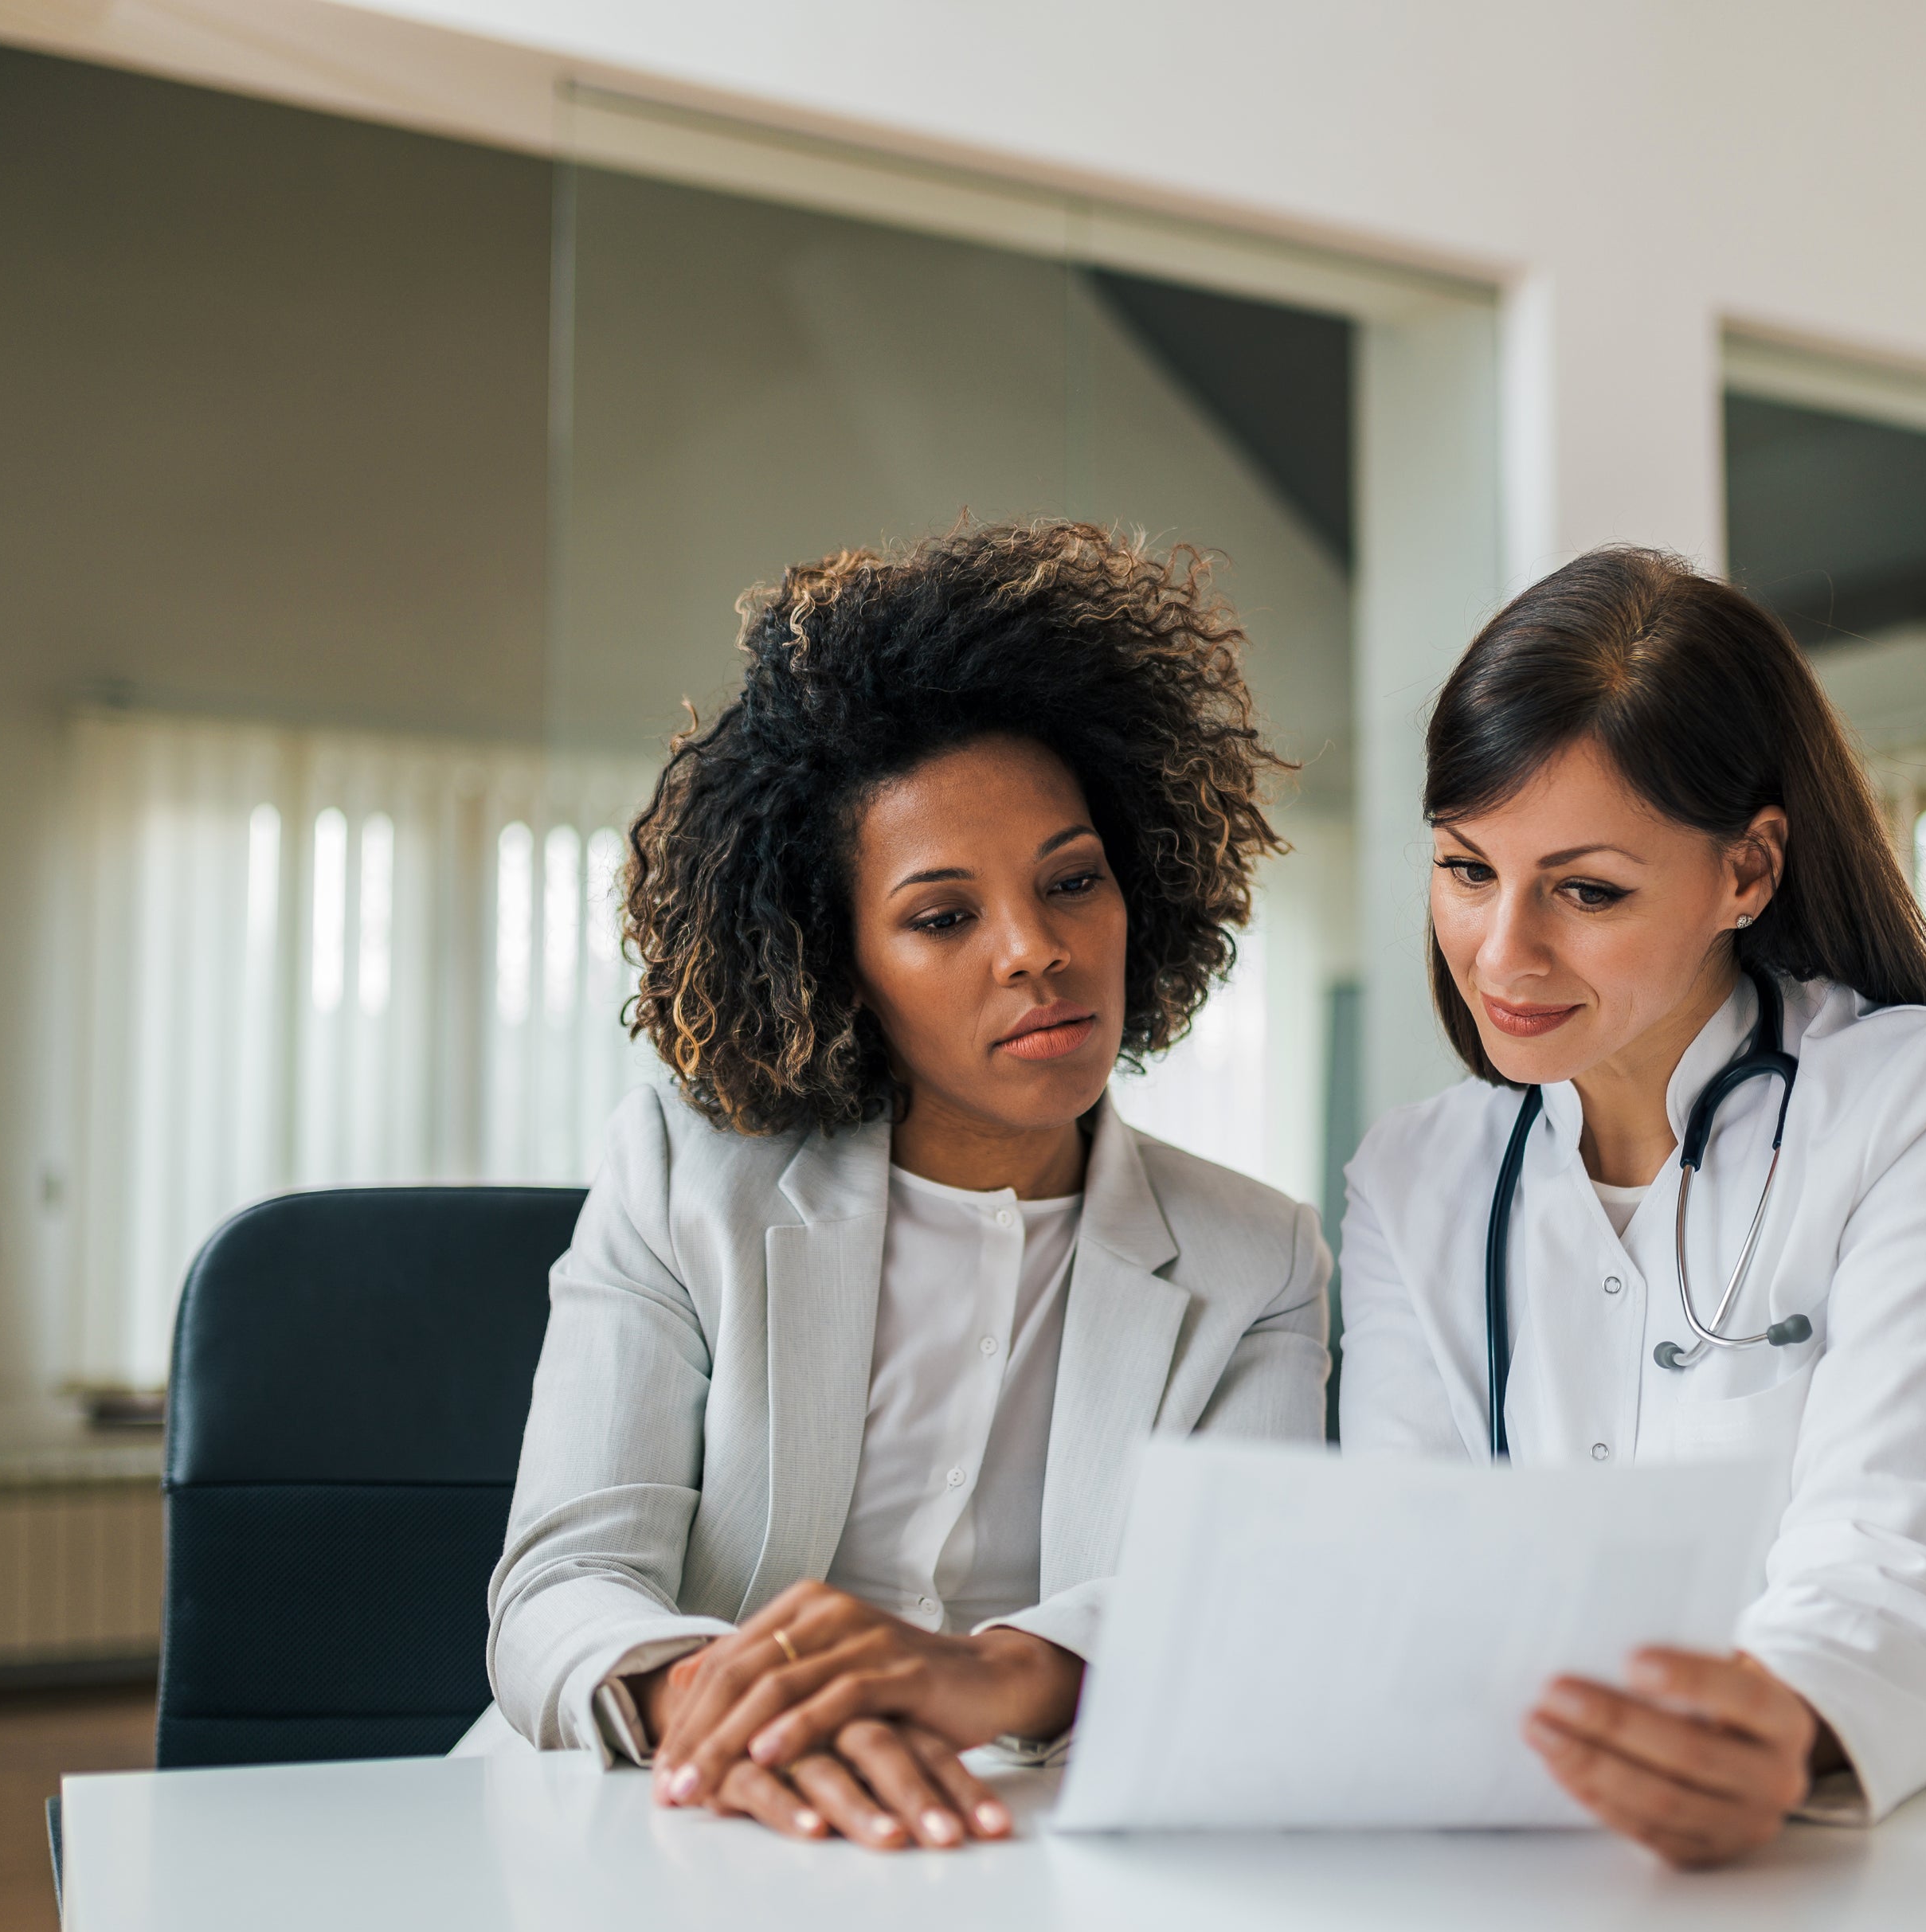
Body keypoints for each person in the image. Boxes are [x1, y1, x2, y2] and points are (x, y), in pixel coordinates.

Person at [455, 522, 1329, 1851]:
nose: (1038, 951)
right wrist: (725, 1704)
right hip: (678, 1823)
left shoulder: (1257, 1259)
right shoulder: (684, 1185)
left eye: (1072, 882)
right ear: (833, 960)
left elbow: (1244, 1611)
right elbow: (561, 1589)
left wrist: (992, 1676)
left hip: (1028, 1834)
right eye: (942, 916)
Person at [1337, 546, 1926, 1867]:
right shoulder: (1413, 1181)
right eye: (1466, 869)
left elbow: (1905, 1566)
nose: (1504, 951)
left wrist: (1774, 1722)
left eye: (1586, 889)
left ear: (1747, 870)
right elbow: (1414, 1573)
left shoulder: (1919, 1100)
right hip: (1595, 1874)